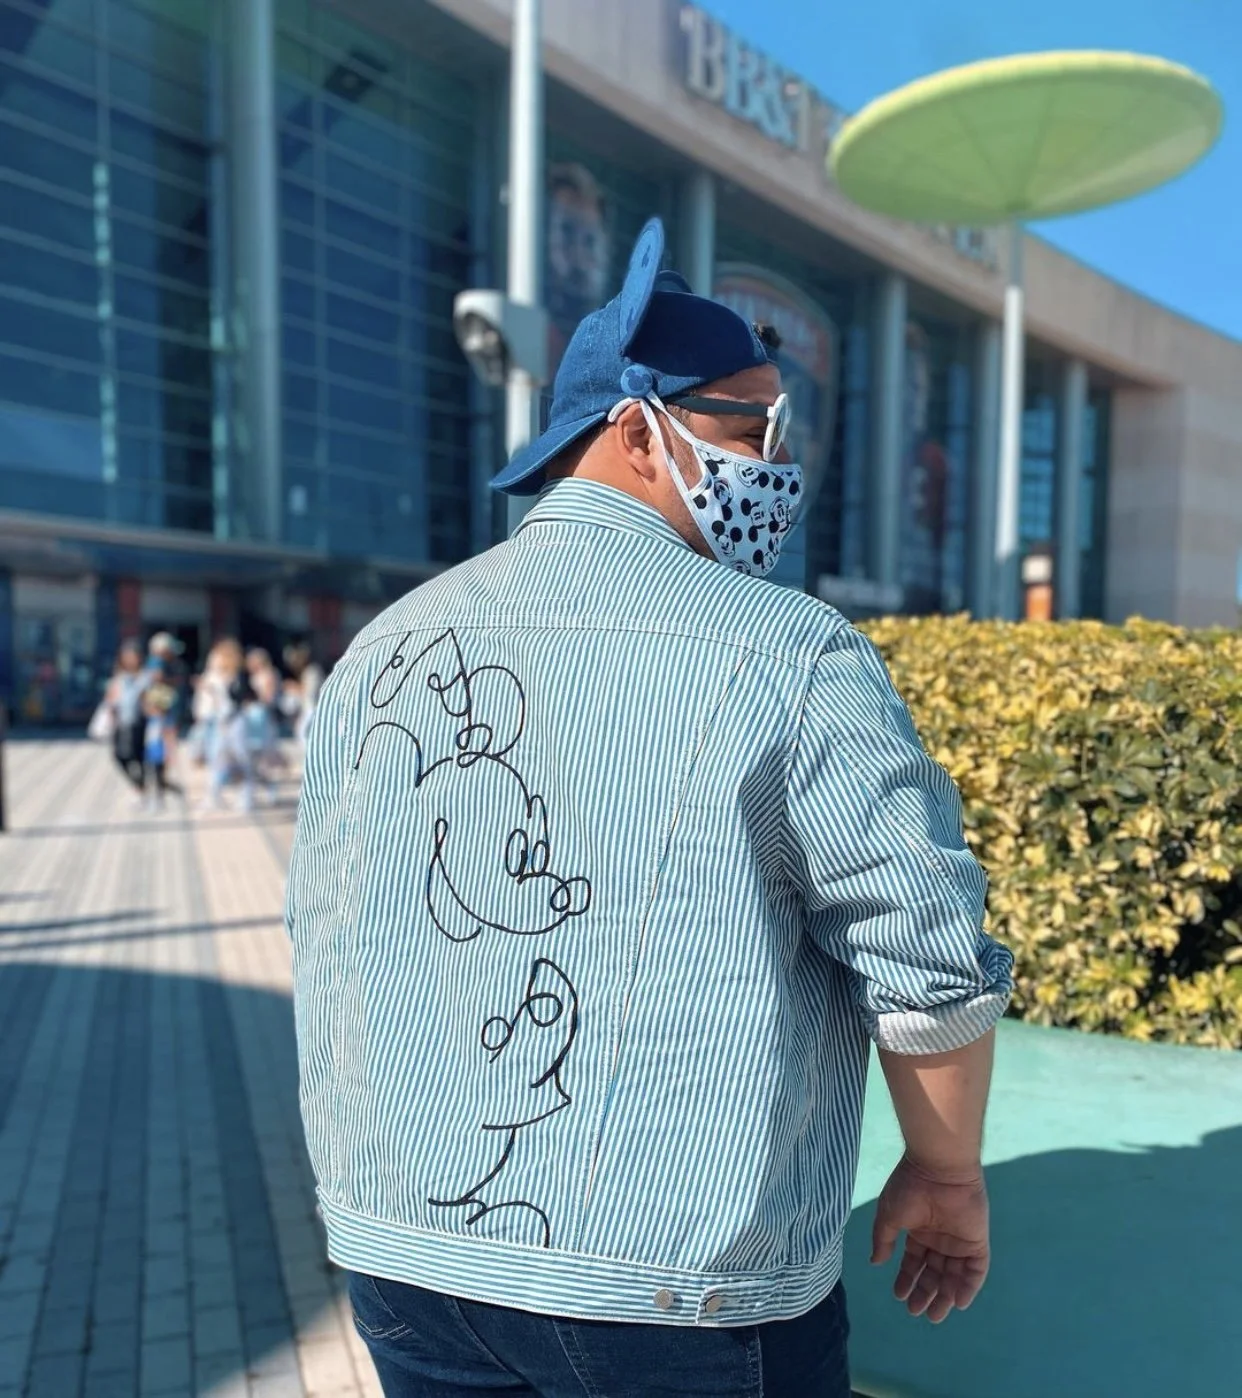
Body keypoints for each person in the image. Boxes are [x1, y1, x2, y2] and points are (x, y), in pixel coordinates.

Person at [285, 219, 1014, 1398]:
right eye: (749, 428)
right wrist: (950, 1173)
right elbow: (926, 961)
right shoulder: (789, 651)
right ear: (634, 428)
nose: (780, 463)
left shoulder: (383, 646)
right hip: (683, 1294)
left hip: (402, 1259)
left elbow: (323, 922)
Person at [200, 639, 257, 812]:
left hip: (235, 721)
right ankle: (213, 796)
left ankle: (246, 797)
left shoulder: (239, 677)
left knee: (241, 758)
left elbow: (246, 697)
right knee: (217, 758)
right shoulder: (215, 677)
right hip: (219, 721)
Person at [104, 641, 150, 801]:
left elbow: (157, 699)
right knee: (119, 756)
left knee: (138, 756)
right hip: (121, 723)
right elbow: (110, 700)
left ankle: (142, 789)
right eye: (126, 657)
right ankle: (139, 785)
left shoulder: (146, 676)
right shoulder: (119, 677)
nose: (130, 660)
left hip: (140, 722)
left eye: (133, 657)